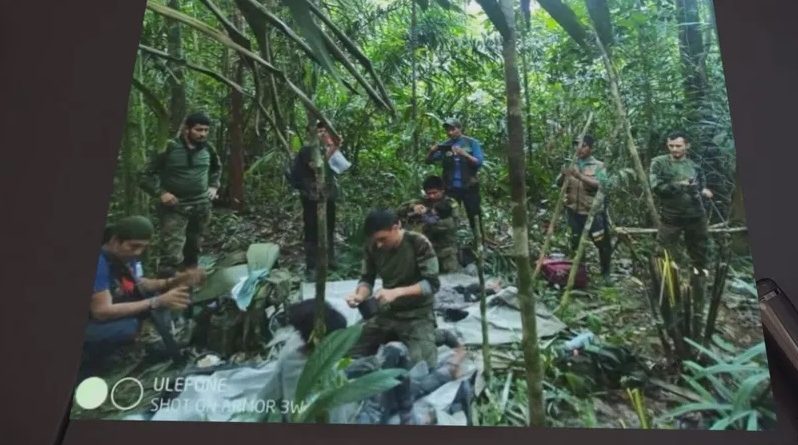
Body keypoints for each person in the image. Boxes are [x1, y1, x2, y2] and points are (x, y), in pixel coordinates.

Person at [80, 216, 204, 378]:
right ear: (116, 241)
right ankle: (109, 362)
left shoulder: (124, 256)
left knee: (155, 298)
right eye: (134, 246)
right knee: (129, 326)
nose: (138, 252)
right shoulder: (100, 263)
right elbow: (101, 311)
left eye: (143, 247)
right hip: (90, 322)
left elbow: (137, 284)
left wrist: (173, 281)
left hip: (112, 303)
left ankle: (155, 336)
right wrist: (156, 302)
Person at [345, 209, 441, 368]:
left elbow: (432, 284)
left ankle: (437, 335)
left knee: (424, 366)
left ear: (397, 227)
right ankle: (395, 339)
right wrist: (360, 296)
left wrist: (397, 292)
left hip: (417, 314)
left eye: (383, 238)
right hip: (387, 312)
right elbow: (367, 279)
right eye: (376, 240)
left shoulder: (418, 243)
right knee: (344, 349)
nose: (379, 244)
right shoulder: (373, 246)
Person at [139, 112, 222, 277]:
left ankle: (188, 289)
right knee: (172, 253)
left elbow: (216, 168)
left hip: (201, 206)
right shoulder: (169, 148)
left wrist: (213, 186)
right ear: (186, 130)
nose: (203, 134)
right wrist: (161, 193)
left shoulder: (208, 148)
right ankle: (167, 293)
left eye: (206, 130)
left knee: (194, 248)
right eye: (199, 130)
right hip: (175, 207)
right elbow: (144, 175)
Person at [649, 131, 714, 273]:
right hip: (671, 216)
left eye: (678, 146)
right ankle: (664, 287)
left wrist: (704, 192)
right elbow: (656, 187)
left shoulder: (694, 166)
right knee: (662, 253)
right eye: (671, 146)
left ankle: (698, 286)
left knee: (700, 253)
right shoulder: (659, 163)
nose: (674, 149)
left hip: (695, 216)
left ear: (687, 145)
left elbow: (701, 187)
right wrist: (680, 185)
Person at [556, 135, 613, 282]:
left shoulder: (599, 166)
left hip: (592, 213)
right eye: (577, 145)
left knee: (602, 243)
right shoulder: (571, 164)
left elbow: (602, 185)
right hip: (573, 211)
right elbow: (558, 184)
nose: (579, 149)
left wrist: (579, 176)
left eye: (583, 145)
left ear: (591, 148)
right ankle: (580, 275)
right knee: (576, 244)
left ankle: (606, 274)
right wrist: (563, 175)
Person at [296, 121, 342, 280]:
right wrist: (331, 149)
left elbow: (338, 167)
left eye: (324, 131)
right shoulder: (307, 150)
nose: (323, 134)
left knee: (329, 226)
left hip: (327, 195)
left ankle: (330, 259)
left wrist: (334, 148)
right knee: (312, 228)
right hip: (311, 197)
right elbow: (317, 166)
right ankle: (312, 265)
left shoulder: (326, 149)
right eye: (319, 132)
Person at [425, 118, 485, 231]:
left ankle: (478, 241)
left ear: (460, 129)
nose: (450, 132)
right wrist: (432, 151)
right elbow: (428, 161)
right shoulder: (445, 146)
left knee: (474, 215)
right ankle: (451, 243)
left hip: (469, 186)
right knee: (448, 216)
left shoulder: (471, 143)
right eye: (448, 130)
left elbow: (479, 162)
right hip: (451, 188)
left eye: (453, 129)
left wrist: (465, 154)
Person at [397, 176, 460, 273]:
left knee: (451, 281)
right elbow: (400, 209)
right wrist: (413, 207)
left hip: (445, 252)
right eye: (428, 193)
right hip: (425, 252)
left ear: (442, 190)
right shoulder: (423, 201)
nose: (431, 196)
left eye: (434, 193)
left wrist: (428, 216)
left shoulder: (450, 204)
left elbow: (451, 225)